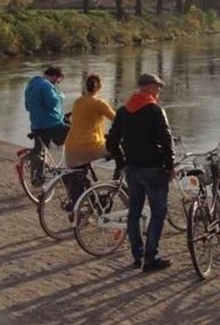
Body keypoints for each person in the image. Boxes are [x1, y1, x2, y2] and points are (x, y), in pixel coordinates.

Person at [106, 73, 174, 273]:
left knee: (134, 212)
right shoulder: (155, 110)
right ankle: (151, 258)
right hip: (154, 169)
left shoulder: (123, 111)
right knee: (158, 212)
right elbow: (166, 139)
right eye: (158, 87)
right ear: (150, 87)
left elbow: (111, 142)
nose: (159, 90)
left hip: (132, 169)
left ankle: (138, 255)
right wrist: (170, 166)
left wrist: (122, 162)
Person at [62, 74, 116, 205]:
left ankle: (85, 202)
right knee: (118, 150)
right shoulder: (99, 103)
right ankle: (116, 184)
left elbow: (84, 124)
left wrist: (102, 134)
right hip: (89, 147)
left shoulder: (78, 101)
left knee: (80, 174)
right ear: (100, 87)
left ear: (86, 87)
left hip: (70, 148)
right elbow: (119, 120)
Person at [24, 65, 69, 185]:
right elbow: (52, 103)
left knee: (41, 151)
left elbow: (28, 107)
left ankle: (37, 177)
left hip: (36, 125)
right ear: (54, 76)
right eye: (58, 81)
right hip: (52, 124)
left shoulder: (31, 84)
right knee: (75, 136)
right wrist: (61, 96)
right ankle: (73, 172)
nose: (57, 84)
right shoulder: (46, 85)